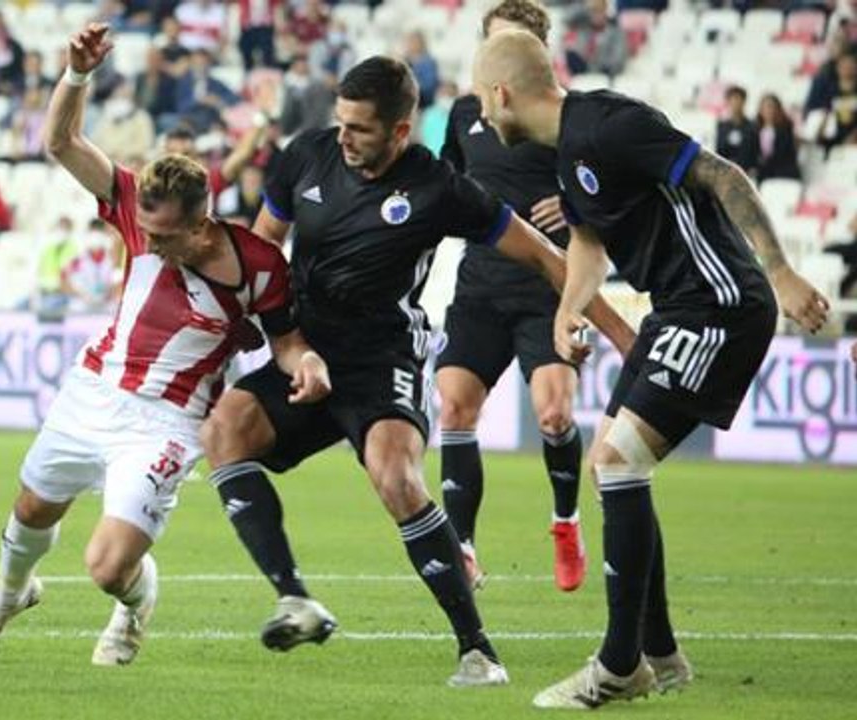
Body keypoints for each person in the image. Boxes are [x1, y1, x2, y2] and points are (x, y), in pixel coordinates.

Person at [199, 55, 635, 686]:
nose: (343, 137)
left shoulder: (439, 189)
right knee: (224, 432)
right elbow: (262, 253)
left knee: (396, 478)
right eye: (341, 122)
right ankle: (295, 598)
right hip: (308, 352)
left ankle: (477, 650)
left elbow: (544, 257)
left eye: (361, 129)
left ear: (401, 131)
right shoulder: (307, 156)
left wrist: (622, 334)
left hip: (382, 362)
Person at [472, 29, 830, 709]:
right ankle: (661, 656)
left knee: (616, 464)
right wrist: (567, 310)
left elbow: (723, 174)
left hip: (720, 305)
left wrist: (779, 272)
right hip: (677, 309)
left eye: (482, 105)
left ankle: (619, 664)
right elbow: (586, 241)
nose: (483, 120)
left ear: (502, 94)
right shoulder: (569, 152)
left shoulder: (609, 125)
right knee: (612, 469)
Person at [0, 23, 331, 667]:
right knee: (31, 507)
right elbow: (61, 141)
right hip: (96, 389)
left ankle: (134, 604)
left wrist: (308, 364)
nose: (148, 246)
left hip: (169, 423)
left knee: (105, 566)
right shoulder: (133, 206)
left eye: (165, 238)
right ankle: (7, 595)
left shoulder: (260, 265)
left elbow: (287, 342)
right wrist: (77, 75)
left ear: (202, 223)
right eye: (147, 233)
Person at [436, 0, 607, 594]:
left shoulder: (571, 117)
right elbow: (442, 187)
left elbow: (605, 191)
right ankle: (460, 547)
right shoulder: (464, 114)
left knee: (555, 413)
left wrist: (575, 203)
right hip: (481, 282)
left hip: (548, 288)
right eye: (491, 45)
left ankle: (565, 522)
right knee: (454, 404)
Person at [715, 85, 759, 175]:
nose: (736, 103)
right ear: (728, 102)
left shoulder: (752, 126)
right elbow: (719, 150)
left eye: (739, 99)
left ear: (744, 102)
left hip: (746, 171)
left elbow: (755, 151)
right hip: (726, 170)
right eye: (733, 99)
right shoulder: (722, 126)